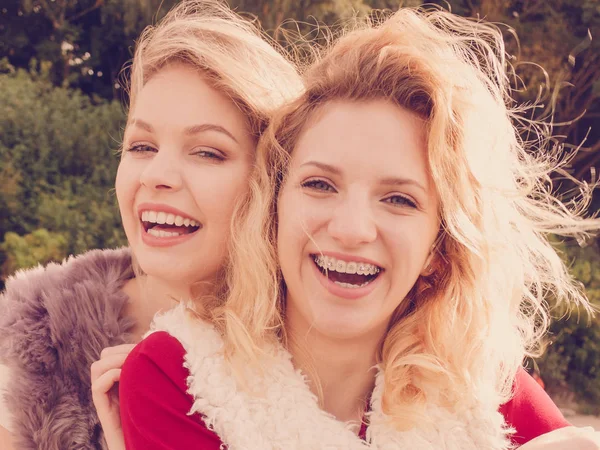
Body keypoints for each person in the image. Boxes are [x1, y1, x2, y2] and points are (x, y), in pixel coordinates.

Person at [115, 6, 600, 450]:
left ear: (440, 245)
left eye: (398, 199)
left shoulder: (484, 388)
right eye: (321, 184)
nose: (351, 229)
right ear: (272, 208)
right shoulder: (176, 374)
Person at [0, 1, 302, 448]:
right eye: (142, 146)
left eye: (206, 152)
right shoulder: (35, 345)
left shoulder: (322, 348)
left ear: (274, 180)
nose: (155, 175)